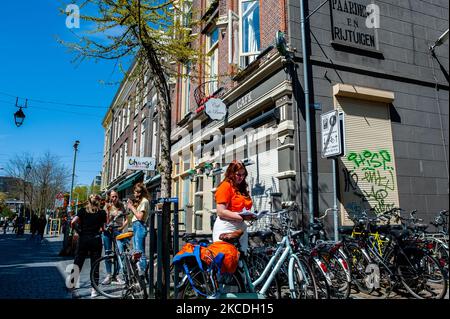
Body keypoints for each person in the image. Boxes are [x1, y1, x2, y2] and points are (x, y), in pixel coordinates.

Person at [212, 160, 254, 253]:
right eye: (238, 174)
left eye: (243, 175)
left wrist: (252, 216)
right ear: (231, 173)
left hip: (241, 228)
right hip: (226, 226)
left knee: (241, 260)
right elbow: (221, 212)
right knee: (227, 259)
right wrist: (242, 217)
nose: (241, 178)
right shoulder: (225, 186)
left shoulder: (241, 188)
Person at [71, 194, 106, 298]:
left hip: (83, 239)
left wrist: (79, 231)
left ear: (88, 201)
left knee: (78, 262)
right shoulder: (102, 213)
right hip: (96, 239)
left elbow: (73, 222)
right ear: (99, 201)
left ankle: (72, 286)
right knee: (95, 264)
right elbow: (103, 228)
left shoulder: (82, 211)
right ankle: (94, 290)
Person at [102, 190, 127, 284]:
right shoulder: (107, 206)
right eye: (112, 197)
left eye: (116, 196)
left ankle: (116, 275)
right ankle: (108, 275)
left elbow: (126, 219)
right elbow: (105, 221)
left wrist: (121, 228)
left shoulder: (122, 206)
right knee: (108, 253)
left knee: (118, 252)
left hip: (118, 231)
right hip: (108, 231)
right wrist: (108, 211)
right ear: (110, 197)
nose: (114, 198)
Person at [127, 183, 150, 277]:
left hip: (139, 225)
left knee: (140, 252)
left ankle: (143, 273)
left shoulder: (144, 201)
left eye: (138, 192)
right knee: (138, 251)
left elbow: (139, 216)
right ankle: (141, 272)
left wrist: (131, 207)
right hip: (137, 226)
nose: (136, 194)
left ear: (142, 192)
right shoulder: (142, 201)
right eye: (135, 192)